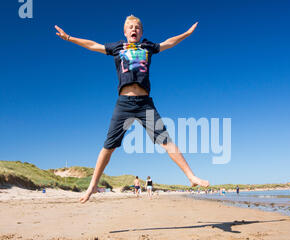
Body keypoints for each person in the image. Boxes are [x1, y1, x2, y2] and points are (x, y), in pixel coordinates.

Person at [55, 15, 210, 204]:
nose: (133, 29)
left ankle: (191, 177)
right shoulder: (117, 47)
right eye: (130, 27)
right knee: (108, 146)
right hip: (124, 103)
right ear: (125, 32)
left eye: (137, 27)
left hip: (145, 103)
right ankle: (92, 185)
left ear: (141, 32)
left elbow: (169, 43)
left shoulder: (148, 47)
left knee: (165, 140)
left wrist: (186, 33)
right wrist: (70, 38)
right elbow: (92, 45)